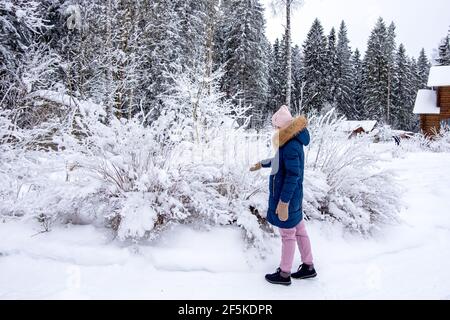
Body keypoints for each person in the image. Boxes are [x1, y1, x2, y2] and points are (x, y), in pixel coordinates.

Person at [250, 105, 317, 286]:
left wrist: (283, 202)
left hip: (287, 198)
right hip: (294, 198)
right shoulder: (289, 142)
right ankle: (308, 267)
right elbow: (280, 162)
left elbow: (292, 175)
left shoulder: (290, 146)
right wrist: (262, 163)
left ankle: (284, 273)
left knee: (288, 234)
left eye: (276, 126)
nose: (274, 129)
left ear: (283, 126)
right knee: (300, 231)